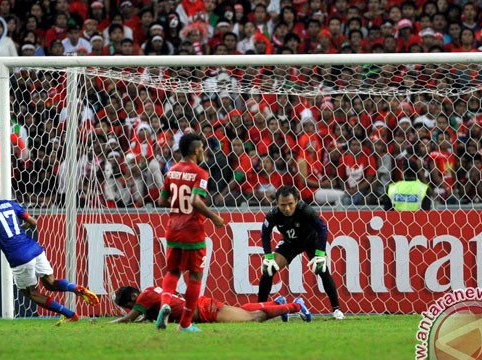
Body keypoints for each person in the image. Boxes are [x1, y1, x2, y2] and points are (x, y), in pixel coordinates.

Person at [0, 179, 99, 324]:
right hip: (35, 249)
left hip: (19, 256)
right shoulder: (10, 204)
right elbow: (33, 222)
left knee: (32, 293)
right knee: (51, 283)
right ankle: (76, 288)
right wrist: (18, 230)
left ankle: (70, 314)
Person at [156, 133, 226, 332]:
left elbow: (161, 201)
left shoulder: (171, 171)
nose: (203, 151)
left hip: (173, 230)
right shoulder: (200, 173)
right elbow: (196, 201)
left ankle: (165, 305)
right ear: (196, 150)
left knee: (172, 272)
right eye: (202, 147)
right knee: (195, 277)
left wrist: (177, 204)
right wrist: (214, 217)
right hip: (193, 231)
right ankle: (185, 324)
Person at [259, 185, 345, 320]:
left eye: (290, 204)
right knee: (268, 269)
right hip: (290, 243)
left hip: (311, 241)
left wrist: (321, 254)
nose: (287, 208)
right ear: (277, 203)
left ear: (297, 201)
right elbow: (265, 233)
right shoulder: (273, 215)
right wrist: (268, 256)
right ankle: (261, 309)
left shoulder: (306, 211)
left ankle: (337, 310)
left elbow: (322, 228)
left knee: (322, 270)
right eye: (283, 205)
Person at [111, 285, 310, 324]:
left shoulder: (144, 297)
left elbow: (129, 319)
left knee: (253, 318)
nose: (131, 309)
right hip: (200, 305)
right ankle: (276, 302)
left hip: (204, 311)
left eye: (129, 305)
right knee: (240, 311)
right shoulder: (151, 291)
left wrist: (112, 323)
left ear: (133, 297)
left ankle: (296, 306)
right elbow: (147, 314)